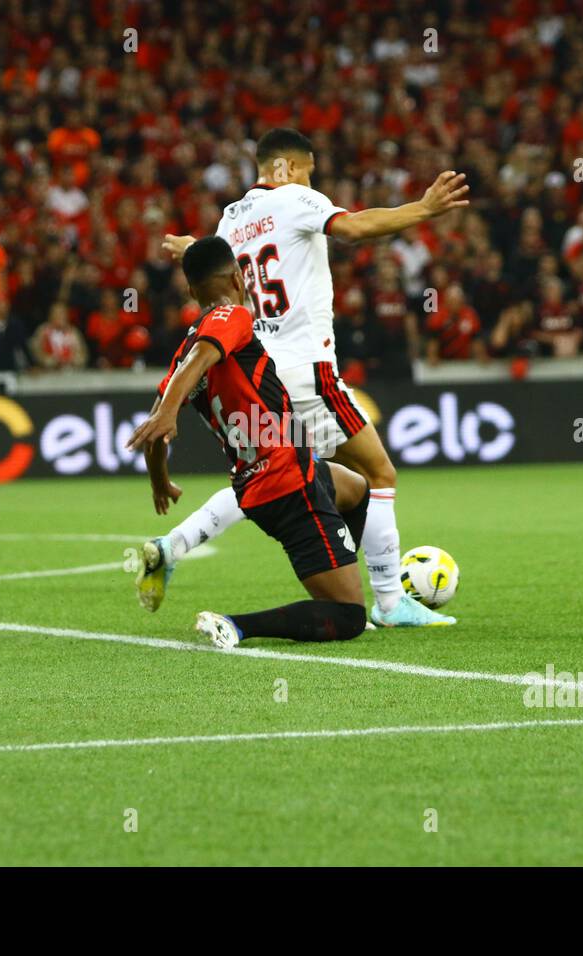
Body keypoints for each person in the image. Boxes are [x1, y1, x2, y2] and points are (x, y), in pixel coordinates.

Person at [154, 128, 468, 627]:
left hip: (261, 375)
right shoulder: (299, 198)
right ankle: (390, 603)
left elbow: (228, 264)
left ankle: (173, 545)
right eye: (311, 170)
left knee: (271, 472)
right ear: (296, 166)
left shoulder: (231, 219)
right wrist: (423, 208)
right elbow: (356, 228)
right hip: (308, 369)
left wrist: (193, 245)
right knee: (378, 473)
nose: (311, 179)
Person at [127, 237, 376, 648]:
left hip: (260, 483)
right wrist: (169, 412)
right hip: (289, 482)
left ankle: (339, 571)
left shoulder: (183, 355)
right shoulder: (233, 317)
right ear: (240, 278)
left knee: (356, 489)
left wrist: (159, 479)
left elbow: (157, 425)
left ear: (191, 291)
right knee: (347, 619)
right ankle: (236, 624)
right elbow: (202, 360)